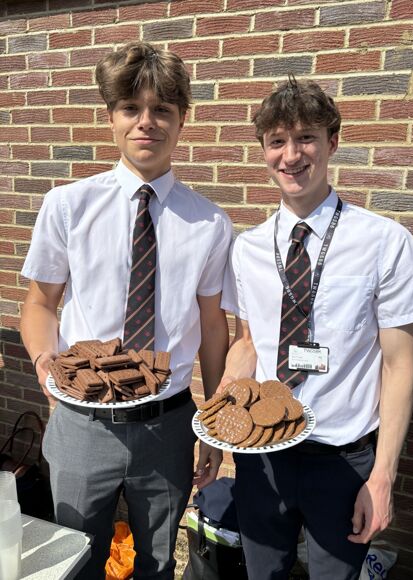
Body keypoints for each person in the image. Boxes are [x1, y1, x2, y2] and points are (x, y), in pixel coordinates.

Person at [20, 41, 231, 580]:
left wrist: (214, 425)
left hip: (168, 425)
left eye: (162, 109)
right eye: (131, 108)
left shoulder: (210, 223)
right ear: (111, 117)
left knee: (157, 563)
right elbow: (40, 304)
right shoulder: (68, 206)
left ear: (182, 120)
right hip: (83, 423)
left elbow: (213, 326)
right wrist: (45, 361)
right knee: (73, 560)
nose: (146, 122)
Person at [219, 75, 413, 580]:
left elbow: (399, 365)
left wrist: (383, 476)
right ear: (264, 150)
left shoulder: (384, 242)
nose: (291, 155)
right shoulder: (247, 249)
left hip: (343, 463)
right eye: (277, 141)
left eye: (306, 138)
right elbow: (248, 343)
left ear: (332, 142)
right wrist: (221, 412)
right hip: (262, 457)